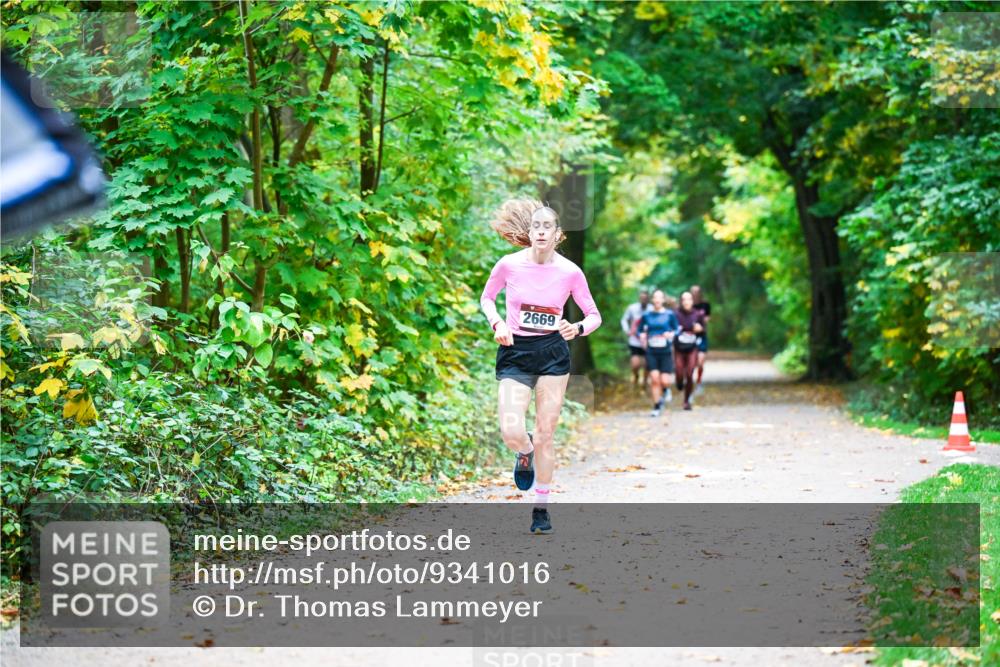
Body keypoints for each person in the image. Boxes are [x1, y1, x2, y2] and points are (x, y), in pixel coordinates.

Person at [481, 199, 602, 534]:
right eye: (536, 226)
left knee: (547, 433)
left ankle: (541, 509)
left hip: (552, 352)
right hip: (515, 349)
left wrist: (576, 329)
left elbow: (594, 315)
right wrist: (498, 324)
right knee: (511, 430)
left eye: (547, 227)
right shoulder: (508, 265)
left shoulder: (570, 272)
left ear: (557, 234)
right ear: (530, 232)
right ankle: (524, 452)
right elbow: (487, 298)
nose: (540, 232)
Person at [637, 289, 678, 417]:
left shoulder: (670, 315)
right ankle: (656, 406)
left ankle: (666, 389)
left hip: (665, 351)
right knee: (654, 379)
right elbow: (639, 330)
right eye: (655, 297)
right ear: (652, 300)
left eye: (660, 297)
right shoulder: (646, 315)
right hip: (651, 351)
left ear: (663, 300)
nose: (657, 300)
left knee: (665, 380)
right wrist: (642, 335)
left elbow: (677, 330)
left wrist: (671, 334)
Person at [673, 291, 706, 411]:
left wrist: (700, 329)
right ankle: (679, 382)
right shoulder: (675, 314)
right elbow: (670, 327)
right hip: (679, 347)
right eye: (684, 299)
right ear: (681, 301)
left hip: (692, 347)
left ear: (692, 301)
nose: (686, 302)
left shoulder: (698, 314)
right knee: (679, 370)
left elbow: (703, 331)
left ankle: (686, 401)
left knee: (690, 373)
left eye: (689, 299)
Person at [620, 289, 651, 387]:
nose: (643, 300)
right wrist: (627, 330)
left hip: (648, 341)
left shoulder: (652, 308)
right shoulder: (632, 308)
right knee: (635, 364)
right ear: (639, 298)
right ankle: (636, 376)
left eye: (645, 298)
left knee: (647, 364)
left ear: (648, 298)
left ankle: (645, 382)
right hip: (634, 341)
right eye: (642, 298)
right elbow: (624, 319)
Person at [690, 285, 711, 399]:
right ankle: (689, 382)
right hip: (688, 337)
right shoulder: (687, 305)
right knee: (690, 362)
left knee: (700, 362)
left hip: (701, 336)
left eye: (697, 292)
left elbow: (708, 318)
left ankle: (699, 382)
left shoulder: (705, 305)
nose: (695, 293)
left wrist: (701, 322)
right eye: (693, 291)